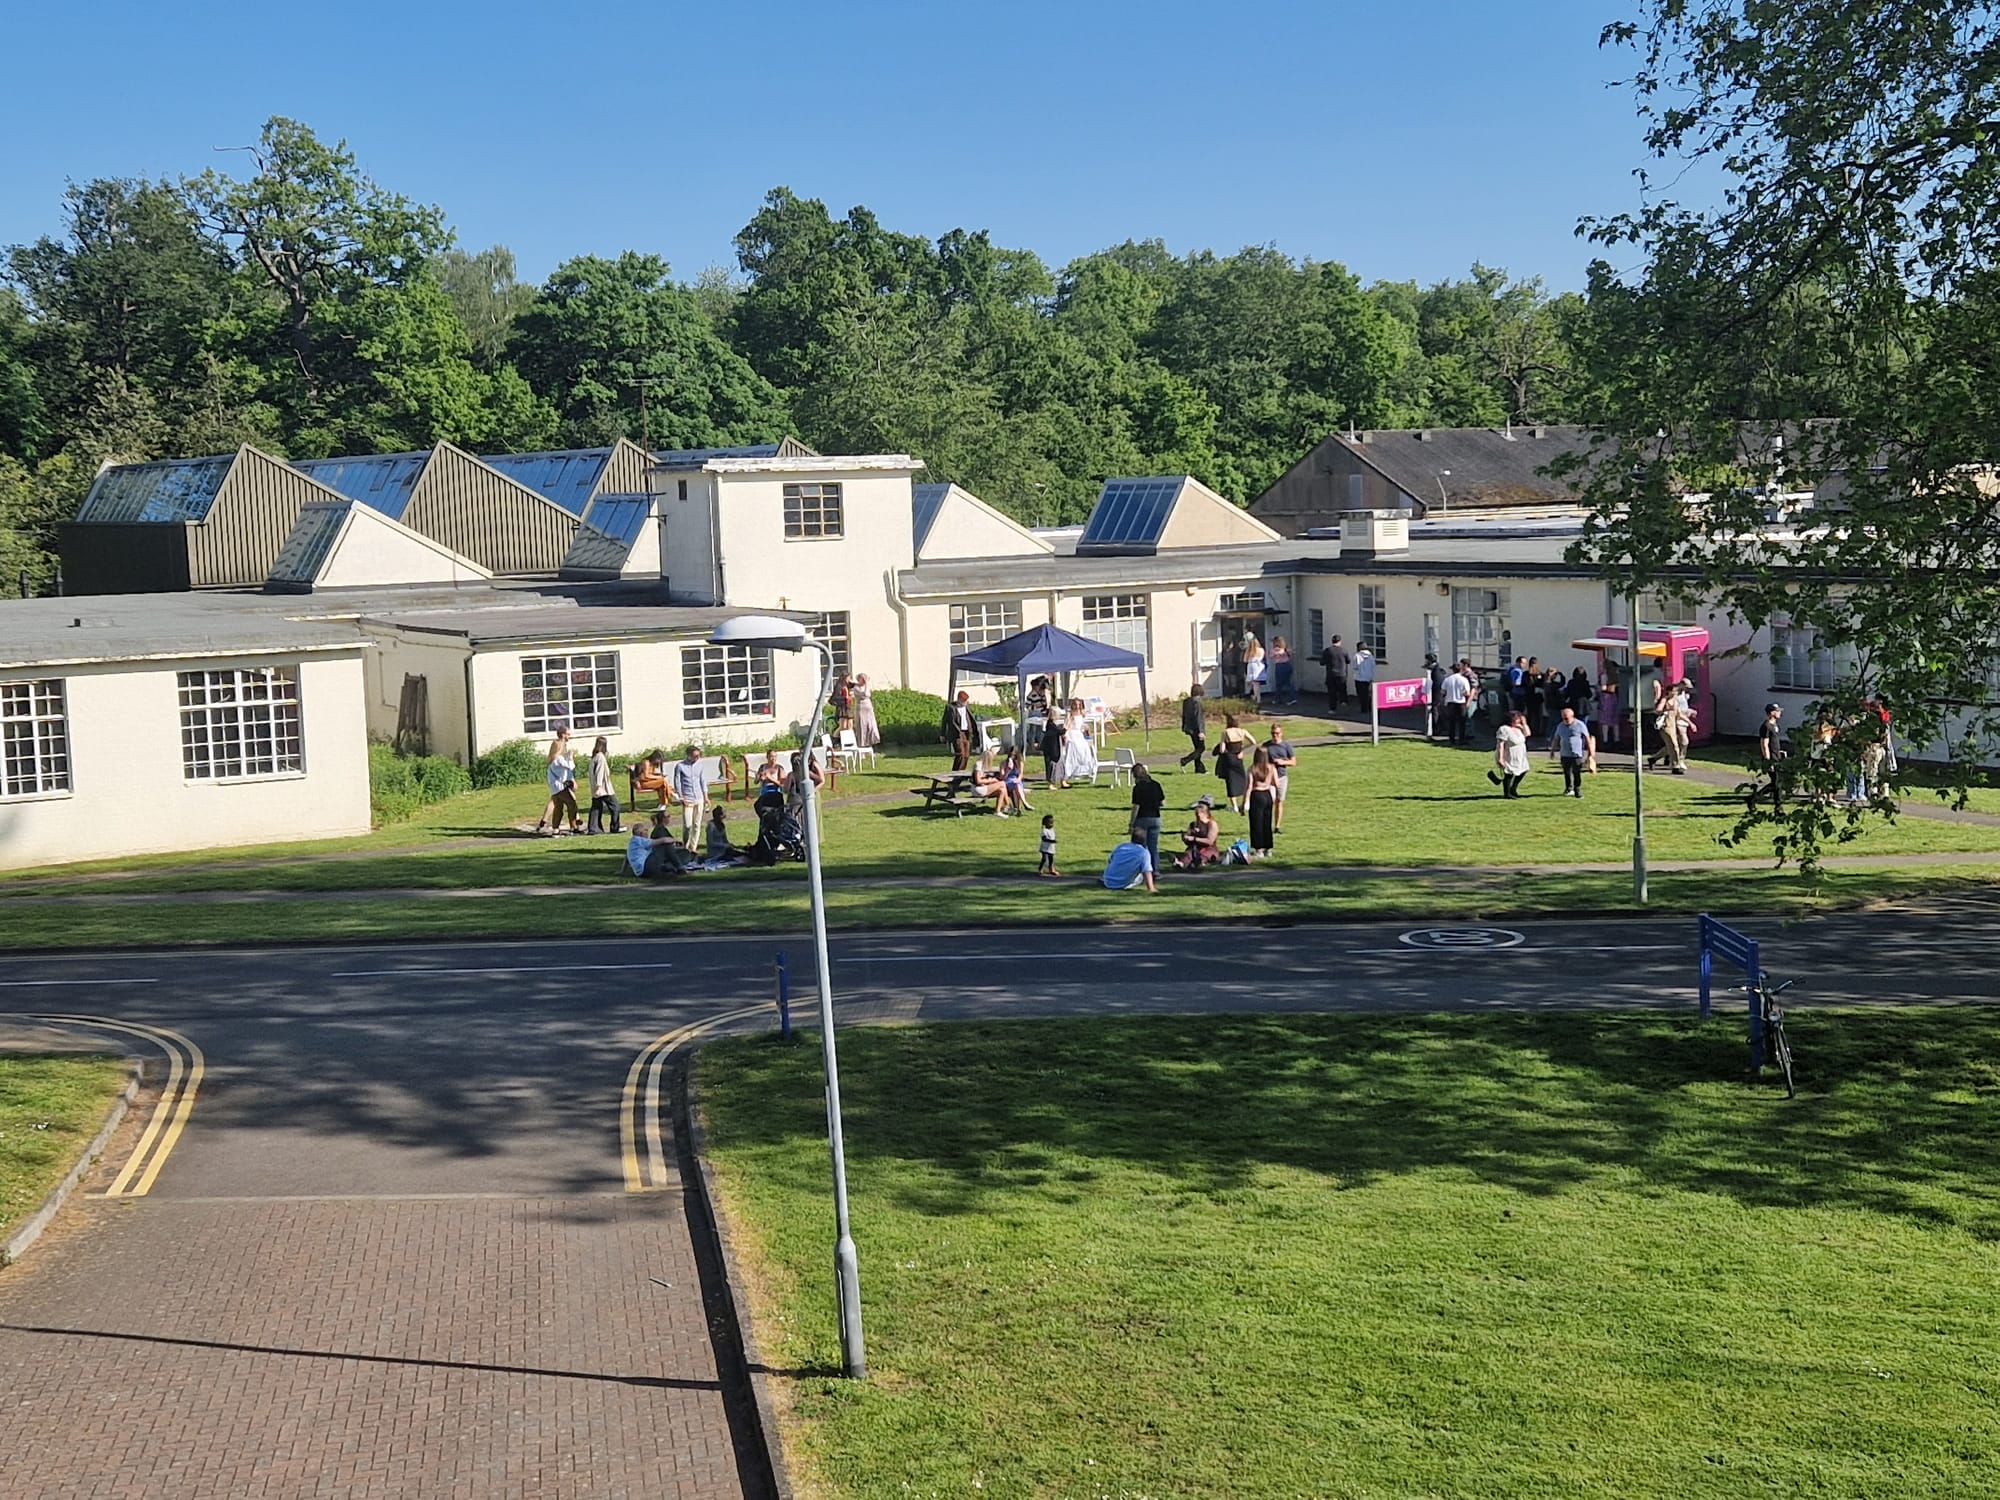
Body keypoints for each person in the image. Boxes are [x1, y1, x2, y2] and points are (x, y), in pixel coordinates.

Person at [536, 726, 581, 835]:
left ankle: (555, 829)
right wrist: (571, 757)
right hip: (560, 787)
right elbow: (571, 767)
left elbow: (566, 771)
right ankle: (573, 827)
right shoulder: (558, 759)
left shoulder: (555, 760)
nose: (569, 737)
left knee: (558, 808)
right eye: (568, 734)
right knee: (572, 804)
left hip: (556, 787)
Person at [1129, 763, 1166, 869]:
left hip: (1142, 819)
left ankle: (1143, 869)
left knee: (1141, 847)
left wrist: (1131, 823)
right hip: (1155, 818)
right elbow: (1163, 803)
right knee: (1153, 847)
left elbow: (1136, 806)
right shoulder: (1156, 784)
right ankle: (1155, 869)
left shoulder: (1138, 788)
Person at [1549, 707, 1592, 798]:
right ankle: (1568, 788)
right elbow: (1556, 738)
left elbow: (1587, 739)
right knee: (1567, 772)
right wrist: (1552, 751)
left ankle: (1577, 790)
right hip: (1564, 753)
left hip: (1576, 754)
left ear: (1572, 716)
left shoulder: (1580, 725)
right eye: (1563, 718)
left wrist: (1590, 753)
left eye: (1567, 718)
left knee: (1576, 772)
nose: (1565, 720)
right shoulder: (1560, 726)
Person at [1214, 714, 1253, 813]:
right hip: (1238, 757)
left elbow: (1222, 749)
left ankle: (1235, 806)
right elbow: (1253, 741)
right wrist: (1242, 750)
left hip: (1229, 758)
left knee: (1230, 781)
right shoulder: (1242, 731)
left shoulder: (1226, 732)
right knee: (1243, 779)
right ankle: (1246, 803)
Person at [670, 744, 707, 844]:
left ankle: (693, 846)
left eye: (699, 755)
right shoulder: (680, 766)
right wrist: (681, 798)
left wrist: (706, 797)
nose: (697, 758)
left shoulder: (700, 765)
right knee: (687, 825)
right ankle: (685, 844)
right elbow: (677, 782)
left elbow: (702, 781)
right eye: (695, 756)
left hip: (699, 797)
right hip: (688, 798)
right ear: (689, 755)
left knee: (697, 824)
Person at [1246, 747, 1278, 858]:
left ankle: (1259, 849)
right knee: (1267, 822)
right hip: (1267, 795)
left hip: (1256, 795)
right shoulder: (1271, 768)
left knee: (1256, 823)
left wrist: (1245, 801)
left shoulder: (1252, 768)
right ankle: (1268, 848)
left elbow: (1249, 786)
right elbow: (1276, 783)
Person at [1263, 723, 1296, 832]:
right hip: (1269, 778)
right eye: (1273, 733)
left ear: (1281, 733)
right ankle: (1266, 825)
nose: (1275, 735)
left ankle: (1277, 826)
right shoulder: (1266, 746)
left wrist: (1282, 762)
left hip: (1282, 777)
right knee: (1270, 801)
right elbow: (1260, 760)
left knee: (1279, 801)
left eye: (1277, 733)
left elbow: (1293, 762)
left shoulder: (1286, 746)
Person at [585, 736, 621, 834]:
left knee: (596, 808)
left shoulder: (594, 757)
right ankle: (614, 827)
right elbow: (599, 772)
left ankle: (594, 828)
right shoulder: (600, 757)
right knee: (615, 807)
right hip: (604, 789)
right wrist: (599, 787)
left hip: (596, 788)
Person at [1175, 797, 1222, 870]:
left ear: (1205, 814)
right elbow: (1188, 841)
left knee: (1203, 855)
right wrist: (1185, 838)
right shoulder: (1193, 824)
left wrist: (1194, 838)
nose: (1197, 818)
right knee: (1188, 854)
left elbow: (1210, 841)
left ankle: (1197, 863)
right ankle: (1181, 863)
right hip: (1195, 848)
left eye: (1198, 815)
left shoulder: (1212, 824)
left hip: (1209, 849)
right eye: (1196, 815)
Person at [1754, 702, 1785, 812]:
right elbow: (1764, 744)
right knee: (1777, 783)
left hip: (1777, 756)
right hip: (1771, 758)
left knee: (1776, 783)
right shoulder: (1766, 726)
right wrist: (1768, 760)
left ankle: (1754, 798)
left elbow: (1774, 742)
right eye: (1777, 711)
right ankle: (1778, 807)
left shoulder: (1774, 725)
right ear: (1772, 713)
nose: (1780, 713)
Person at [1060, 698, 1097, 785]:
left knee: (1085, 750)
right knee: (1073, 751)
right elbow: (1067, 724)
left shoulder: (1082, 713)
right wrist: (1065, 734)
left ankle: (1084, 771)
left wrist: (1086, 731)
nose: (1077, 706)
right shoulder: (1070, 714)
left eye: (1079, 704)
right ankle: (1069, 772)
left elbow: (1084, 724)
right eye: (1075, 704)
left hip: (1079, 733)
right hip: (1072, 733)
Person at [1494, 711, 1530, 798]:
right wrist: (1500, 758)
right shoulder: (1504, 729)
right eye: (1517, 718)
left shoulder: (1519, 728)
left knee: (1524, 770)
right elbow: (1500, 744)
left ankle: (1513, 788)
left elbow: (1528, 734)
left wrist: (1524, 724)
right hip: (1509, 754)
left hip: (1520, 755)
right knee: (1509, 773)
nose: (1519, 720)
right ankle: (1507, 793)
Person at [1435, 659, 1471, 745]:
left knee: (1452, 721)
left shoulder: (1447, 679)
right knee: (1462, 722)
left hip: (1450, 702)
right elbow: (1467, 693)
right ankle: (1461, 739)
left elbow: (1443, 691)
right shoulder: (1464, 680)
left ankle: (1452, 739)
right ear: (1460, 669)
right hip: (1461, 702)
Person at [941, 691, 978, 771]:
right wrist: (942, 734)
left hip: (966, 733)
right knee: (960, 753)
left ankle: (962, 771)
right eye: (964, 701)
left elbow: (970, 719)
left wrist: (973, 731)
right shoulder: (951, 707)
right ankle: (955, 771)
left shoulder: (966, 707)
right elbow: (945, 721)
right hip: (957, 733)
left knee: (966, 755)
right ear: (959, 699)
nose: (965, 703)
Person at [1179, 683, 1208, 773]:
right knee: (1201, 748)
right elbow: (1199, 717)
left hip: (1189, 728)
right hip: (1196, 729)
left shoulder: (1186, 702)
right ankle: (1185, 760)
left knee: (1197, 748)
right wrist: (1201, 731)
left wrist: (1184, 726)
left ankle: (1199, 768)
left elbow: (1184, 715)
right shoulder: (1197, 703)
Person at [1321, 635, 1350, 711]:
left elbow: (1322, 662)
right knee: (1342, 690)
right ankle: (1343, 702)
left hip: (1331, 674)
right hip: (1341, 674)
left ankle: (1332, 709)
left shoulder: (1327, 651)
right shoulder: (1344, 650)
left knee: (1332, 692)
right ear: (1340, 641)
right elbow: (1348, 661)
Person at [852, 673, 881, 749]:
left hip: (868, 709)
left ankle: (871, 743)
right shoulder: (856, 688)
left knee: (871, 726)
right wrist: (866, 684)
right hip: (861, 709)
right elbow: (865, 695)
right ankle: (862, 745)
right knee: (862, 726)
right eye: (862, 679)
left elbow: (868, 694)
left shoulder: (866, 687)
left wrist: (866, 684)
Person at [1040, 709, 1067, 788]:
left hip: (1053, 747)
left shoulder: (1051, 724)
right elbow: (1060, 732)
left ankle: (1062, 780)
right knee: (1051, 765)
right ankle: (1051, 783)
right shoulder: (1051, 725)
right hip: (1051, 749)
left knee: (1059, 764)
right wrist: (1067, 726)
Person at [1270, 635, 1296, 705]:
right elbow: (1291, 654)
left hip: (1280, 666)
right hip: (1287, 665)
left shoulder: (1276, 650)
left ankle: (1278, 699)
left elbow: (1271, 656)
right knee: (1288, 683)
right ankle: (1292, 698)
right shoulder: (1285, 649)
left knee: (1279, 683)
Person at [1244, 634, 1267, 707]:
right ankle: (1257, 697)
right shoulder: (1261, 650)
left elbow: (1245, 660)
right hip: (1259, 665)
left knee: (1254, 683)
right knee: (1257, 683)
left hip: (1252, 665)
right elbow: (1263, 657)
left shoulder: (1250, 650)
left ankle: (1257, 697)